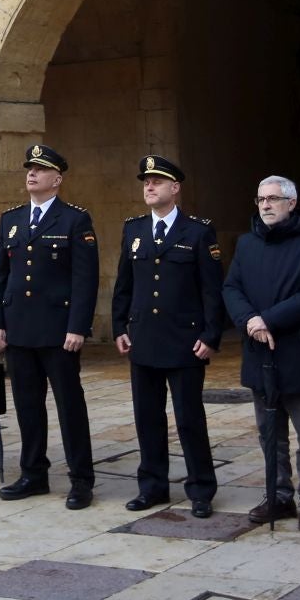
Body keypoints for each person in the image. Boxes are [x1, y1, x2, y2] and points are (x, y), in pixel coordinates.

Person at [0, 145, 99, 510]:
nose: (31, 174)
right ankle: (33, 473)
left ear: (57, 179)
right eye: (29, 169)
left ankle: (81, 479)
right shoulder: (12, 220)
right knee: (27, 406)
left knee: (70, 406)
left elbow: (85, 279)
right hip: (19, 328)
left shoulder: (74, 220)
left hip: (58, 330)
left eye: (40, 169)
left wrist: (77, 327)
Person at [113, 155, 223, 518]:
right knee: (147, 417)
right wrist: (119, 328)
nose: (149, 186)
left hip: (184, 341)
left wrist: (210, 335)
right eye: (145, 181)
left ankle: (201, 488)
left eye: (157, 181)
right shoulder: (133, 230)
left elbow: (211, 290)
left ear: (175, 188)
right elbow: (124, 285)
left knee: (189, 418)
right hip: (143, 338)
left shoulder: (197, 232)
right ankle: (153, 485)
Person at [223, 176, 300, 532]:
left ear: (291, 203)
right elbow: (232, 287)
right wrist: (250, 321)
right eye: (260, 199)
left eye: (273, 199)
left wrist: (267, 319)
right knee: (270, 433)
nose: (265, 205)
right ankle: (278, 495)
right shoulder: (246, 243)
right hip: (259, 351)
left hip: (297, 351)